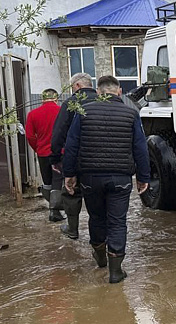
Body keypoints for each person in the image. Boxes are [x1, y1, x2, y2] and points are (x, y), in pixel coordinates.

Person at [62, 75, 150, 283]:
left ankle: (100, 256)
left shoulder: (84, 112)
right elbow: (140, 148)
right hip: (120, 177)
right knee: (118, 222)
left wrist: (69, 174)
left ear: (99, 92)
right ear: (119, 91)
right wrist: (143, 177)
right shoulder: (131, 113)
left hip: (90, 177)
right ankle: (115, 271)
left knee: (96, 217)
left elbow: (72, 145)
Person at [50, 73, 97, 240]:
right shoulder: (102, 101)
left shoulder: (71, 103)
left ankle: (72, 228)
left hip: (75, 158)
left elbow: (59, 133)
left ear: (77, 86)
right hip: (99, 159)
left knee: (71, 191)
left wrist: (54, 158)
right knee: (97, 195)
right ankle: (98, 234)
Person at [25, 88, 64, 222]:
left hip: (42, 153)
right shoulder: (62, 112)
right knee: (57, 181)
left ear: (42, 99)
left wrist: (38, 148)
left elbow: (30, 136)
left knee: (47, 182)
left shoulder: (32, 114)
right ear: (56, 98)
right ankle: (55, 211)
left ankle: (51, 207)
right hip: (59, 153)